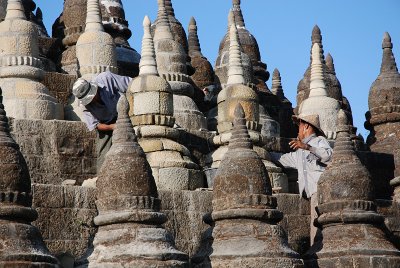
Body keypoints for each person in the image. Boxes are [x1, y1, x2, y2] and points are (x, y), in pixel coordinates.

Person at [270, 114, 333, 245]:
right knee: (315, 227)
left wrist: (308, 147)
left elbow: (330, 156)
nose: (297, 131)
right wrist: (263, 153)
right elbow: (283, 159)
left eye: (299, 127)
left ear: (306, 126)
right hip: (309, 195)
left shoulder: (319, 141)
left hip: (321, 191)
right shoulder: (299, 151)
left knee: (320, 227)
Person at [72, 71, 132, 172]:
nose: (92, 101)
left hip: (127, 114)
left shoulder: (106, 79)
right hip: (107, 124)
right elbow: (96, 125)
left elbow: (132, 86)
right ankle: (103, 175)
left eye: (91, 97)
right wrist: (113, 127)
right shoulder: (84, 106)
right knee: (103, 154)